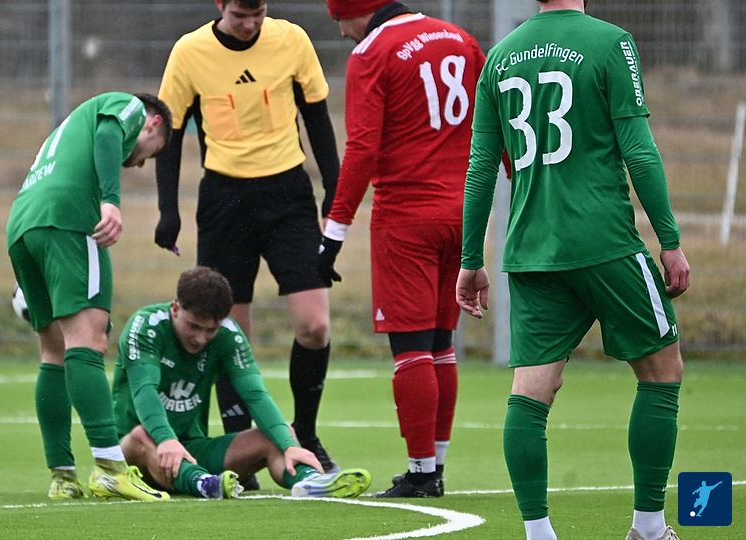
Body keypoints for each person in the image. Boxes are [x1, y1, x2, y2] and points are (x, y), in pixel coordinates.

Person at [456, 2, 690, 539]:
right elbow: (639, 151)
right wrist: (670, 241)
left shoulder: (500, 57)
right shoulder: (610, 42)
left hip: (531, 249)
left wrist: (471, 260)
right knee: (662, 371)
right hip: (604, 241)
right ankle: (649, 528)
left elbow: (480, 169)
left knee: (530, 393)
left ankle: (539, 534)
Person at [152, 0, 343, 480]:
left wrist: (334, 190)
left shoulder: (292, 40)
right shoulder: (189, 51)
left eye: (257, 13)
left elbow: (317, 119)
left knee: (314, 325)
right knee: (228, 332)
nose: (250, 23)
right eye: (240, 14)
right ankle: (239, 447)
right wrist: (168, 210)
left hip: (288, 197)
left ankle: (306, 434)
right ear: (220, 5)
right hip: (225, 201)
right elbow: (170, 135)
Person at [318, 1, 485, 498]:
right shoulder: (460, 38)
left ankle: (421, 471)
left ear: (357, 11)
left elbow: (362, 149)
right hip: (465, 213)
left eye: (340, 21)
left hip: (407, 218)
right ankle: (437, 465)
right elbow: (494, 124)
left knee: (411, 348)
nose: (343, 33)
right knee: (441, 344)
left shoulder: (372, 52)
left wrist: (333, 233)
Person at [5, 91, 173, 502]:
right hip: (69, 219)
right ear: (153, 124)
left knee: (54, 351)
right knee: (89, 341)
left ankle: (62, 476)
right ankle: (111, 468)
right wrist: (111, 202)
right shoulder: (129, 106)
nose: (140, 163)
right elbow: (108, 134)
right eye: (151, 153)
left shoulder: (69, 128)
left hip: (23, 223)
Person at [112, 266, 372, 499]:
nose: (200, 339)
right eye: (194, 326)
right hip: (133, 454)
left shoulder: (229, 334)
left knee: (274, 436)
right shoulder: (146, 326)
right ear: (176, 308)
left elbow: (255, 395)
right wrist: (166, 439)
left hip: (189, 449)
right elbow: (144, 391)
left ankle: (309, 481)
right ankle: (203, 483)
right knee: (141, 435)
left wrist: (290, 445)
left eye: (210, 330)